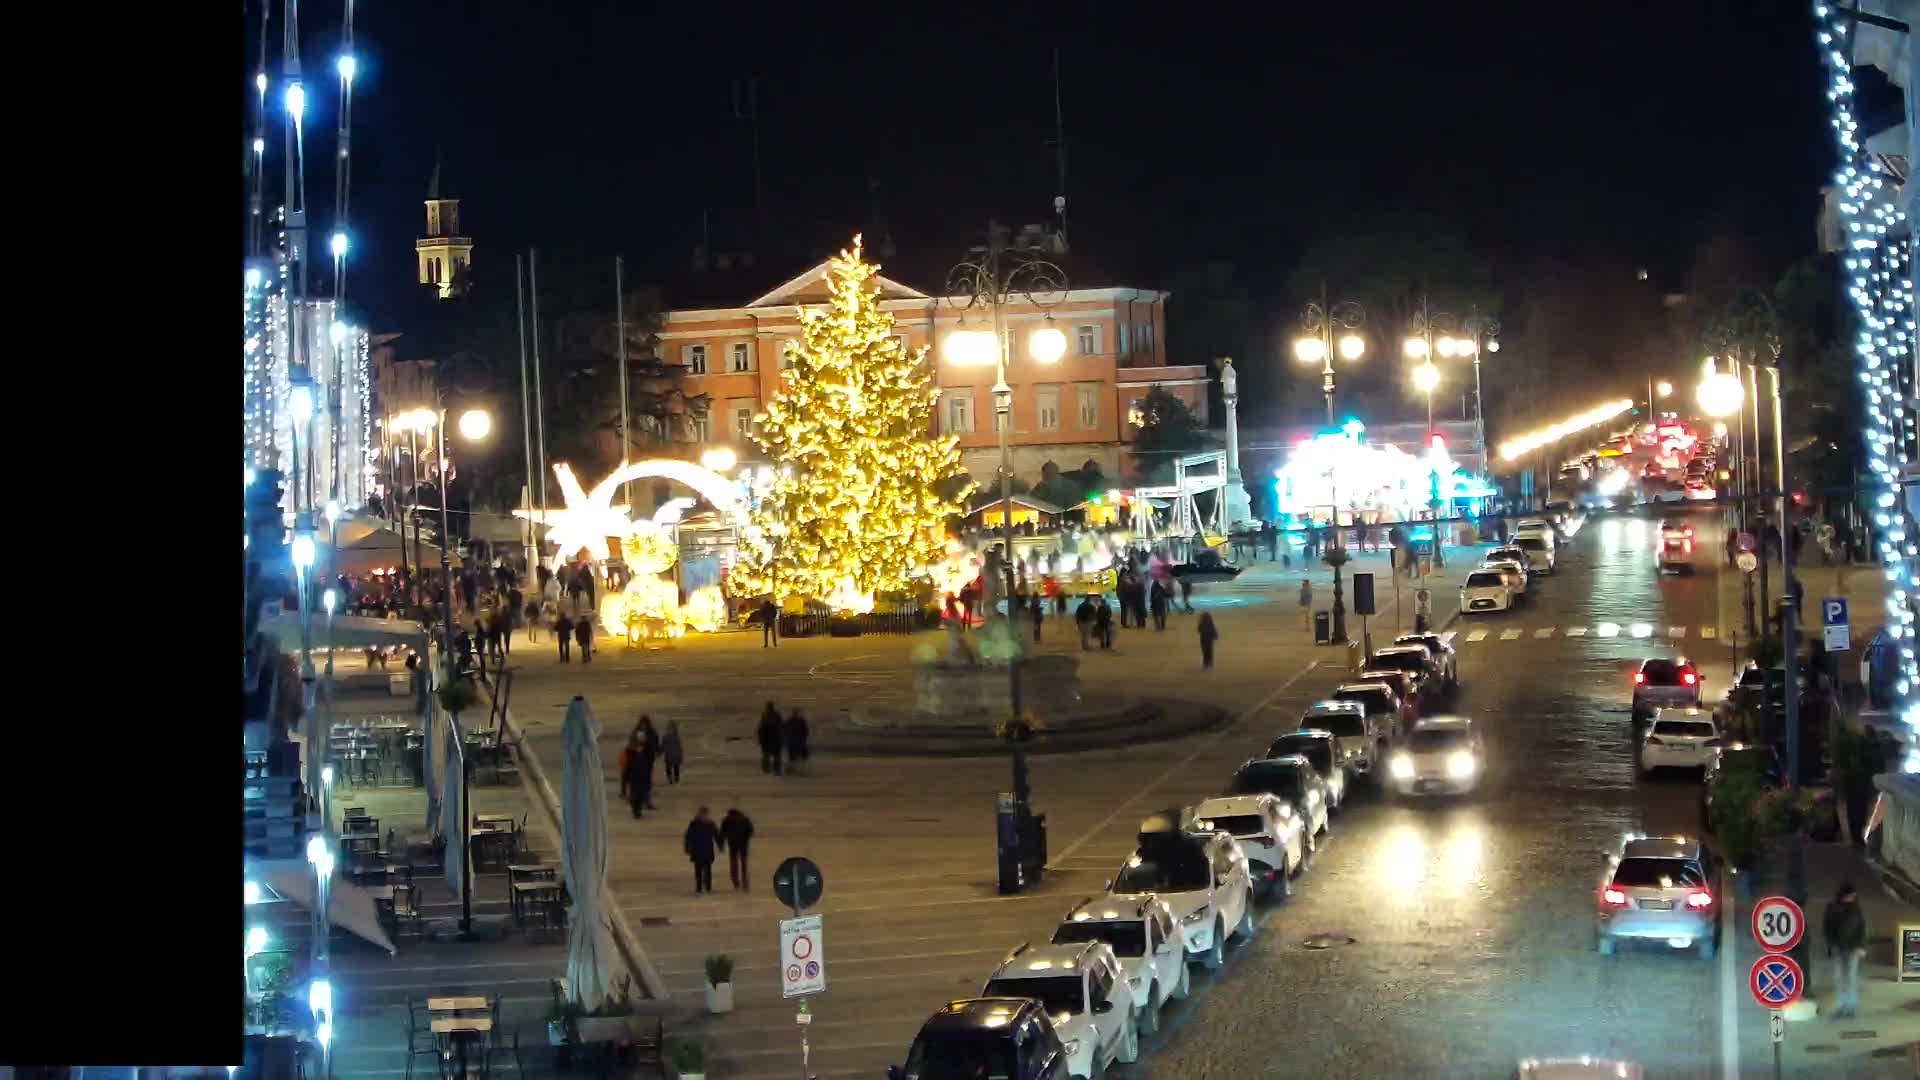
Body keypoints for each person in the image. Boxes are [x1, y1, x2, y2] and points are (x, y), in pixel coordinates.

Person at [1823, 880, 1867, 1018]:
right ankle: (1842, 1006)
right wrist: (1831, 945)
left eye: (1853, 896)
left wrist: (1861, 946)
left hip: (1853, 949)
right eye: (1849, 896)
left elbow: (1861, 929)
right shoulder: (1832, 908)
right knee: (1839, 979)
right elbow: (1827, 929)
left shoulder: (1856, 909)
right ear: (1843, 895)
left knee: (1851, 978)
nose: (1851, 898)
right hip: (1838, 948)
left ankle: (1851, 1007)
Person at [683, 806, 721, 894]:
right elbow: (688, 836)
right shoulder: (694, 824)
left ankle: (708, 886)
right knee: (698, 870)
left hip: (707, 850)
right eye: (702, 814)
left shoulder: (710, 824)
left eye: (705, 814)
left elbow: (717, 835)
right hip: (697, 850)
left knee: (708, 870)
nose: (704, 816)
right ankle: (699, 887)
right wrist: (687, 847)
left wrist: (720, 845)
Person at [719, 807, 755, 891]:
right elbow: (751, 831)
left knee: (737, 865)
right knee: (742, 865)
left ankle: (738, 883)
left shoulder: (728, 821)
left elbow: (722, 834)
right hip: (740, 845)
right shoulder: (742, 820)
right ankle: (742, 883)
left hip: (736, 845)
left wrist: (722, 844)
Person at [634, 716, 661, 810]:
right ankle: (641, 801)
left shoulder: (651, 733)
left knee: (646, 782)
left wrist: (657, 752)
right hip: (640, 761)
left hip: (647, 761)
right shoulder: (639, 733)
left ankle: (646, 801)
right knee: (641, 782)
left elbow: (656, 745)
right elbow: (634, 745)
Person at [619, 733, 649, 819]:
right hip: (636, 777)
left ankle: (636, 811)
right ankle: (637, 811)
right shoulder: (634, 754)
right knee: (637, 795)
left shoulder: (634, 754)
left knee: (636, 795)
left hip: (635, 777)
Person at [757, 701, 785, 775]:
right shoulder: (775, 715)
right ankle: (775, 769)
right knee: (775, 756)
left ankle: (767, 769)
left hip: (769, 740)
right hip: (774, 739)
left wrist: (760, 739)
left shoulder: (766, 716)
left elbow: (761, 728)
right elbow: (781, 727)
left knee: (767, 755)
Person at [784, 708, 810, 773]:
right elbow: (806, 731)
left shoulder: (789, 721)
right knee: (802, 756)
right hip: (799, 741)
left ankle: (791, 769)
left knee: (792, 757)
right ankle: (800, 769)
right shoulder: (801, 721)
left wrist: (786, 739)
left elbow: (785, 731)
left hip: (793, 741)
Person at [661, 719, 684, 784]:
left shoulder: (667, 737)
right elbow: (679, 747)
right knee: (674, 767)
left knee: (671, 767)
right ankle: (674, 779)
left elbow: (663, 746)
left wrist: (659, 752)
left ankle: (672, 778)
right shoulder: (676, 737)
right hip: (673, 755)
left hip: (670, 755)